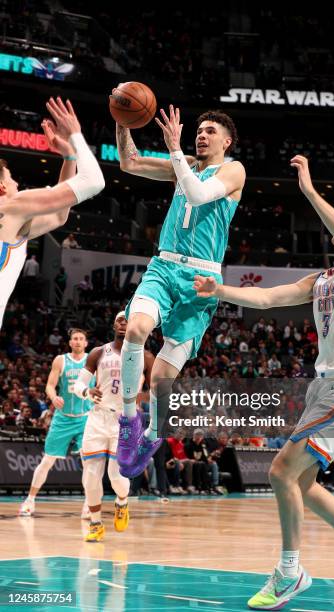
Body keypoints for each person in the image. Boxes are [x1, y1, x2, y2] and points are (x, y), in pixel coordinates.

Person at [194, 154, 334, 609]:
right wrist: (219, 290)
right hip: (324, 388)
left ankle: (289, 572)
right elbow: (267, 297)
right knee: (300, 483)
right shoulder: (323, 279)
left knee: (281, 469)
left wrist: (308, 190)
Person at [114, 102, 245, 478]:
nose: (201, 135)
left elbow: (199, 195)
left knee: (161, 380)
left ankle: (153, 434)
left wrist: (174, 151)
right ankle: (128, 423)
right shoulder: (183, 163)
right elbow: (130, 162)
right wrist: (123, 124)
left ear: (227, 141)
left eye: (210, 132)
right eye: (199, 130)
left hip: (200, 282)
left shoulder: (234, 170)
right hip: (164, 265)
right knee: (136, 330)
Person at [0, 97, 104, 329]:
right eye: (11, 177)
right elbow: (94, 181)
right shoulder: (12, 206)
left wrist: (69, 159)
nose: (16, 182)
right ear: (2, 188)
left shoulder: (11, 222)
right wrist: (76, 136)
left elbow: (59, 216)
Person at [18, 328, 93, 518]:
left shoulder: (92, 360)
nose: (77, 341)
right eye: (74, 339)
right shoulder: (61, 360)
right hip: (63, 417)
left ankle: (89, 504)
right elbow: (50, 385)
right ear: (70, 343)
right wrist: (53, 397)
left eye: (81, 339)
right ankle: (30, 500)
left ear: (86, 343)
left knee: (88, 462)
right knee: (47, 460)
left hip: (86, 417)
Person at [73, 312, 130, 542]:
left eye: (128, 319)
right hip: (97, 418)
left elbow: (158, 390)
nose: (124, 322)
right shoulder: (98, 352)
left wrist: (141, 397)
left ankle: (122, 502)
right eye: (119, 319)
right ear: (114, 324)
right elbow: (78, 384)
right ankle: (96, 524)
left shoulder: (144, 355)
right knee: (90, 476)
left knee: (115, 477)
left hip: (123, 420)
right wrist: (87, 391)